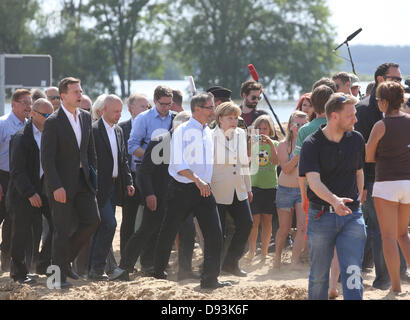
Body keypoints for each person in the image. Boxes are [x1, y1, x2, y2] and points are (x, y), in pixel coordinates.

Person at [153, 92, 230, 289]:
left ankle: (210, 279)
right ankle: (158, 276)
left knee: (214, 234)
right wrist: (197, 180)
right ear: (197, 109)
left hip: (203, 189)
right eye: (210, 107)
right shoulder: (182, 131)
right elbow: (179, 163)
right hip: (182, 189)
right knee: (168, 231)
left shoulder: (208, 131)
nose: (213, 110)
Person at [299, 92, 367, 300]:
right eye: (350, 115)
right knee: (319, 276)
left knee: (353, 271)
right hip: (321, 216)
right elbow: (313, 181)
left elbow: (359, 172)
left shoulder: (356, 139)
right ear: (334, 116)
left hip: (352, 216)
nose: (355, 119)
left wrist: (357, 206)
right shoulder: (312, 143)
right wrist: (335, 201)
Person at [111, 111, 193, 281]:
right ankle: (124, 267)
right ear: (177, 126)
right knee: (146, 231)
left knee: (186, 232)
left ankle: (183, 270)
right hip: (159, 196)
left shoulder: (191, 145)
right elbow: (144, 172)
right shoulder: (160, 141)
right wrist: (149, 194)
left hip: (182, 198)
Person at [41, 77, 100, 288]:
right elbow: (47, 159)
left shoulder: (85, 117)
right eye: (75, 91)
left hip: (83, 182)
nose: (80, 94)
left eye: (80, 90)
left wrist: (94, 175)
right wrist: (56, 186)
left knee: (93, 220)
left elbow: (90, 151)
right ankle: (56, 279)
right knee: (62, 230)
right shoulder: (53, 122)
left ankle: (64, 263)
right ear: (63, 96)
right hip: (61, 185)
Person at [355, 62, 410, 290]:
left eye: (379, 99)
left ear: (385, 101)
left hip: (384, 181)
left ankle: (393, 284)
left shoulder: (380, 124)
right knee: (403, 234)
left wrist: (381, 150)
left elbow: (367, 155)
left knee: (386, 236)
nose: (377, 102)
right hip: (407, 182)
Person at [7, 98, 54, 284]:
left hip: (45, 191)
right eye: (46, 115)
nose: (50, 118)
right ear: (33, 113)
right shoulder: (21, 137)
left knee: (58, 224)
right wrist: (29, 193)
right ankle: (18, 273)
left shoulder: (50, 134)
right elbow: (17, 171)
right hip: (22, 194)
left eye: (52, 115)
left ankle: (42, 262)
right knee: (22, 233)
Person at [88, 95, 134, 281]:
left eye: (120, 111)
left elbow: (123, 160)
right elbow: (88, 160)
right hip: (98, 187)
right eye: (116, 111)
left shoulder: (119, 131)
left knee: (102, 227)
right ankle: (97, 268)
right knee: (109, 224)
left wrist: (129, 181)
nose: (119, 114)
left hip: (115, 186)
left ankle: (95, 268)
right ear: (103, 110)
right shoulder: (92, 130)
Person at [211, 102, 253, 277]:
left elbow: (243, 162)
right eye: (230, 118)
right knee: (217, 233)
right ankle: (213, 268)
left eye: (236, 117)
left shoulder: (241, 134)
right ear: (220, 118)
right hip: (217, 190)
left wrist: (248, 188)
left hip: (239, 188)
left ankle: (230, 263)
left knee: (246, 224)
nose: (234, 121)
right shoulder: (210, 136)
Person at [0, 89, 32, 272]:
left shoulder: (30, 126)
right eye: (24, 103)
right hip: (3, 176)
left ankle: (6, 259)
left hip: (20, 179)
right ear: (13, 104)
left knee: (14, 220)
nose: (28, 107)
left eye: (30, 103)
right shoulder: (3, 124)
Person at [274, 111, 308, 269]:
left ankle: (294, 261)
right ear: (290, 125)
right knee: (284, 229)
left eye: (303, 124)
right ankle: (277, 258)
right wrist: (298, 154)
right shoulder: (283, 145)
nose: (299, 128)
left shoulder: (310, 143)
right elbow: (286, 169)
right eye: (297, 124)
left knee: (302, 227)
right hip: (285, 190)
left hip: (302, 190)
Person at [118, 93, 149, 257]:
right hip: (130, 179)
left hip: (148, 180)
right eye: (143, 106)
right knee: (128, 220)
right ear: (131, 109)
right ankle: (125, 257)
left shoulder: (152, 126)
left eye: (148, 106)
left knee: (148, 220)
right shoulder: (121, 128)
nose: (147, 109)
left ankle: (146, 257)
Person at [247, 115, 279, 261]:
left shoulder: (276, 144)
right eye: (259, 128)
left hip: (270, 186)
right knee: (254, 221)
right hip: (255, 185)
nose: (261, 131)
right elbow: (246, 161)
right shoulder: (252, 144)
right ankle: (252, 251)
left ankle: (264, 252)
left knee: (267, 220)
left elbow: (276, 162)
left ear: (270, 129)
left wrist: (271, 145)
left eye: (265, 128)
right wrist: (251, 143)